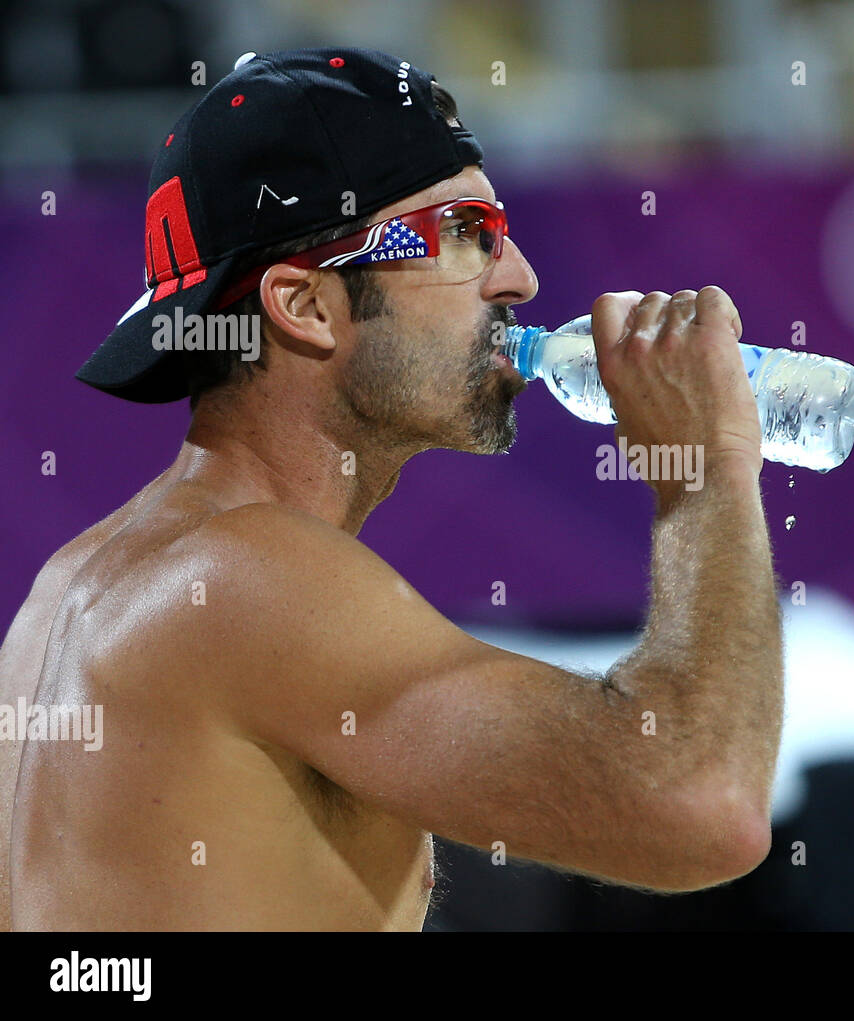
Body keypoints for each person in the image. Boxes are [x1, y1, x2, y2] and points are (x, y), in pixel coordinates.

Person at [0, 47, 783, 930]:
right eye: (463, 231)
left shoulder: (66, 591)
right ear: (305, 306)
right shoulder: (250, 581)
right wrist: (708, 467)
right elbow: (700, 803)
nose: (521, 276)